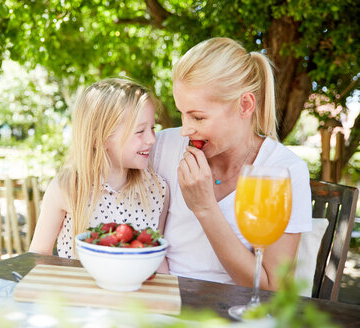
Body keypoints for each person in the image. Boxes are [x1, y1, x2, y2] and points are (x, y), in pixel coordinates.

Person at [149, 37, 312, 290]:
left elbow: (272, 288)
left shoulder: (284, 171)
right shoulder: (160, 147)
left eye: (198, 117)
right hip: (162, 301)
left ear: (245, 105)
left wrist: (205, 208)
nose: (185, 129)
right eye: (182, 113)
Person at [30, 78, 169, 266]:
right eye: (140, 131)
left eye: (152, 128)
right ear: (100, 138)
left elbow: (157, 259)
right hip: (79, 293)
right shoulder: (66, 187)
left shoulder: (157, 189)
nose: (152, 139)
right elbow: (39, 254)